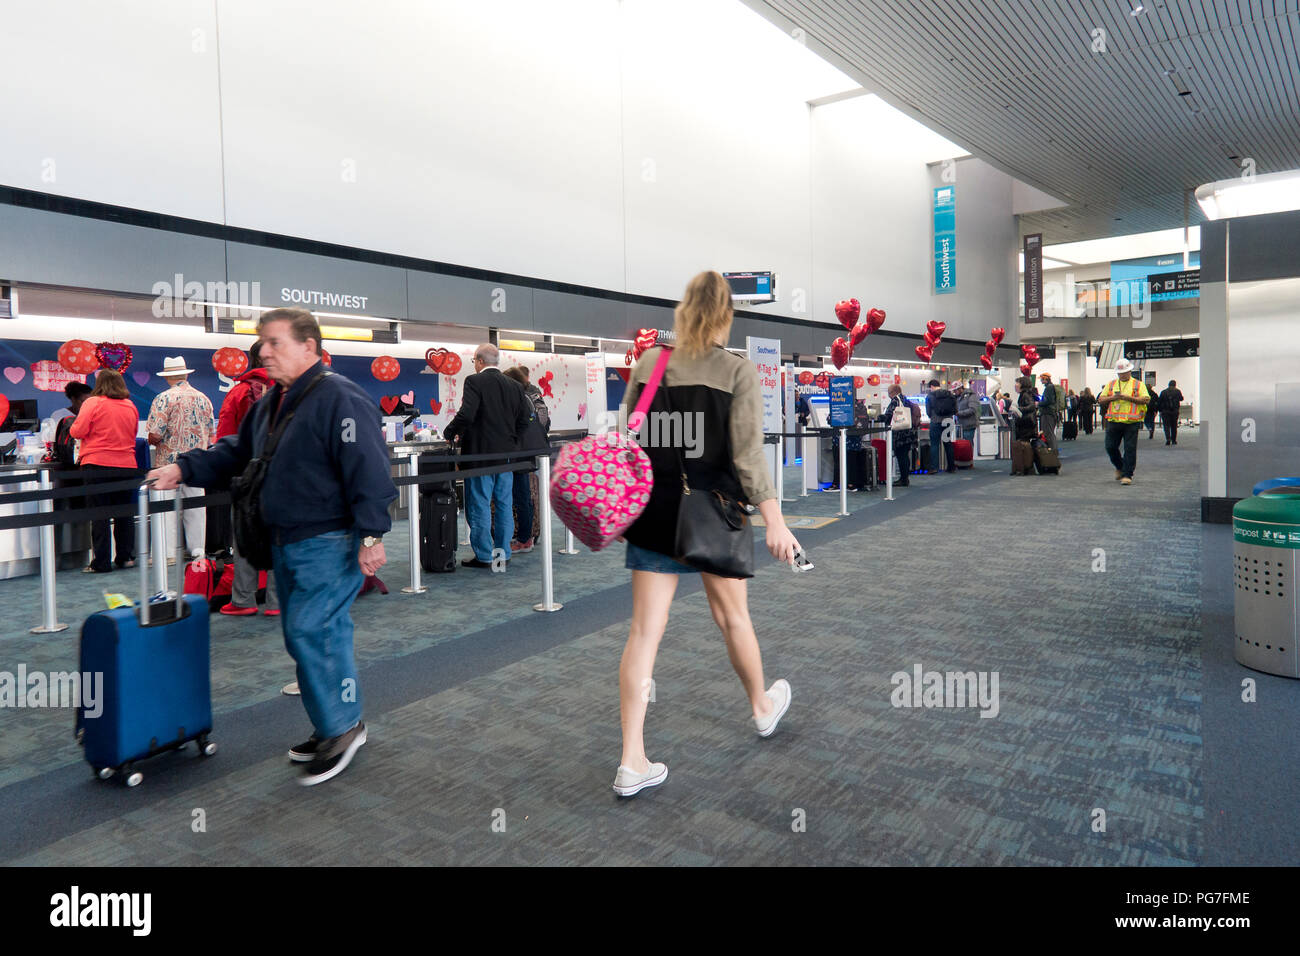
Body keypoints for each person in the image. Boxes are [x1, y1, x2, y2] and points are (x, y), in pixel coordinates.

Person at [147, 308, 397, 786]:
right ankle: (334, 725)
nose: (263, 351)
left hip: (329, 540)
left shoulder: (341, 397)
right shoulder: (274, 402)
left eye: (275, 342)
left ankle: (343, 727)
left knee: (312, 630)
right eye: (263, 343)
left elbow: (369, 467)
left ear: (309, 347)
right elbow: (237, 451)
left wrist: (371, 534)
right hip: (286, 541)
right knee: (307, 635)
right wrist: (183, 468)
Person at [614, 270, 799, 797]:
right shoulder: (737, 371)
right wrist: (775, 520)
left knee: (644, 635)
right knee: (733, 619)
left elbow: (632, 435)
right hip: (715, 513)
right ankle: (762, 708)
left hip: (655, 515)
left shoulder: (652, 364)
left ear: (683, 310)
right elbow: (746, 455)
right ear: (725, 315)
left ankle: (632, 759)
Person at [443, 344, 532, 569]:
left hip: (480, 455)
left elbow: (467, 413)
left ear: (479, 361)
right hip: (506, 456)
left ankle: (484, 555)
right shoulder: (514, 385)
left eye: (474, 360)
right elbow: (526, 418)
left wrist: (450, 431)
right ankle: (503, 553)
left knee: (479, 504)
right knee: (504, 504)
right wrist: (513, 441)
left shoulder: (474, 381)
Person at [214, 341, 278, 617]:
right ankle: (277, 602)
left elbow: (225, 437)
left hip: (246, 475)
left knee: (243, 536)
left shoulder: (239, 392)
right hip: (281, 474)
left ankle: (244, 599)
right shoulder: (291, 390)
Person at [70, 369, 140, 573]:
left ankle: (101, 562)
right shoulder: (130, 405)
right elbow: (134, 433)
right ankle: (125, 558)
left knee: (99, 514)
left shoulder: (92, 403)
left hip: (97, 464)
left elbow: (77, 431)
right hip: (127, 465)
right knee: (124, 514)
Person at [146, 356, 214, 561]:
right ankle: (197, 551)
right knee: (196, 509)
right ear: (185, 374)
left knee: (165, 510)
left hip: (168, 464)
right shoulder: (204, 398)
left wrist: (153, 439)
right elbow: (211, 432)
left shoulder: (164, 398)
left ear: (168, 377)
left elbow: (155, 434)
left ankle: (166, 554)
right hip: (198, 462)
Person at [502, 364, 550, 553]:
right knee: (528, 495)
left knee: (521, 495)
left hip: (519, 450)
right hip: (534, 447)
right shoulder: (535, 392)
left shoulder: (515, 395)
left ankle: (524, 538)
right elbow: (545, 419)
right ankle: (530, 534)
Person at [1097, 358, 1150, 486]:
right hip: (1114, 420)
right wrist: (1113, 398)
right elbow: (1101, 399)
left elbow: (1146, 399)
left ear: (1130, 371)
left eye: (1125, 372)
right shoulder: (1111, 384)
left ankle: (1127, 475)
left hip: (1131, 422)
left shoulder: (1138, 385)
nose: (1122, 375)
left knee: (1130, 448)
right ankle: (1120, 467)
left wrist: (1128, 398)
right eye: (1120, 373)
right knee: (1110, 447)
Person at [880, 384, 917, 486]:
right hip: (909, 431)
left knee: (901, 456)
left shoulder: (896, 400)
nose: (888, 395)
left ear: (893, 392)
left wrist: (881, 417)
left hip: (900, 433)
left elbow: (889, 415)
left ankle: (903, 479)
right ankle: (905, 477)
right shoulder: (906, 399)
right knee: (905, 455)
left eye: (889, 393)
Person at [51, 381, 93, 468]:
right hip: (67, 461)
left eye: (90, 402)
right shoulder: (59, 415)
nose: (86, 405)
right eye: (83, 401)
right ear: (73, 399)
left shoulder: (94, 414)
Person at [925, 379, 957, 473]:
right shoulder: (949, 394)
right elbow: (955, 409)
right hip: (948, 421)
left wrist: (933, 417)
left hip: (936, 421)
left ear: (931, 386)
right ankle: (951, 467)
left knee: (934, 444)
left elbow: (928, 411)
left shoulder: (930, 396)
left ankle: (934, 467)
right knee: (947, 443)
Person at [1037, 372, 1060, 451]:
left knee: (1048, 433)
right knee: (1049, 432)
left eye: (1041, 379)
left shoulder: (1049, 388)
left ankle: (1053, 451)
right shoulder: (1051, 387)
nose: (1041, 381)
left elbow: (1049, 401)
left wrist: (1039, 403)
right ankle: (1053, 450)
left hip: (1047, 413)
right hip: (1050, 413)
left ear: (1045, 379)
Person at [1159, 379, 1185, 445]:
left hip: (1165, 411)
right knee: (1174, 426)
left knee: (1166, 426)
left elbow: (1160, 401)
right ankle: (1174, 440)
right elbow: (1181, 399)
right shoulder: (1177, 391)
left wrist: (1160, 410)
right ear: (1175, 385)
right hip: (1174, 411)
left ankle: (1168, 439)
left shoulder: (1163, 392)